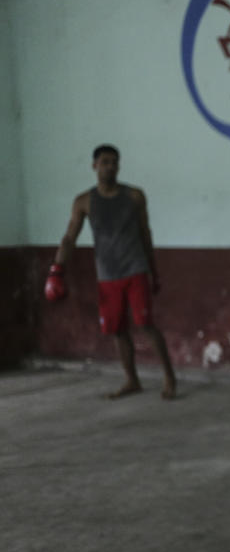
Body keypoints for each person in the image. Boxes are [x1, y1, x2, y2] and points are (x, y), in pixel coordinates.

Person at [45, 144, 176, 400]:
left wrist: (154, 270)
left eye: (114, 162)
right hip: (107, 275)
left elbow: (145, 233)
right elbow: (69, 237)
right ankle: (132, 380)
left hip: (136, 269)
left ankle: (170, 377)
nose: (110, 166)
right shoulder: (84, 201)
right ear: (94, 166)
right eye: (105, 162)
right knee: (117, 330)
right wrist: (56, 269)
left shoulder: (134, 196)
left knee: (146, 325)